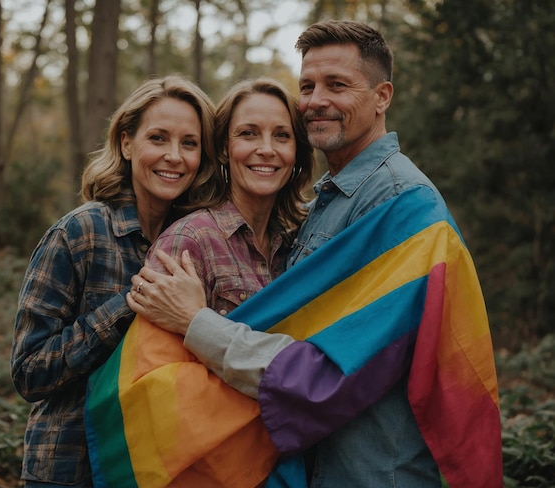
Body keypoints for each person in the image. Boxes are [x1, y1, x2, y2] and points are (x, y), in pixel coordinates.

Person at [128, 20, 503, 488]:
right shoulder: (321, 205)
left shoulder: (401, 207)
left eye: (337, 85)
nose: (316, 100)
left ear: (382, 96)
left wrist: (197, 322)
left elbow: (333, 374)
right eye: (307, 86)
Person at [86, 77, 315, 488]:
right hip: (205, 474)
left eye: (281, 135)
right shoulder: (189, 241)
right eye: (248, 134)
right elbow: (152, 389)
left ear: (296, 151)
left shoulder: (296, 249)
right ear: (225, 149)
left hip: (284, 469)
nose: (266, 148)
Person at [10, 75, 217, 488]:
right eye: (158, 138)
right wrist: (131, 302)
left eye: (189, 143)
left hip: (156, 468)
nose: (174, 156)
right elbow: (29, 372)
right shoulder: (79, 232)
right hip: (70, 469)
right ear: (126, 143)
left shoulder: (199, 240)